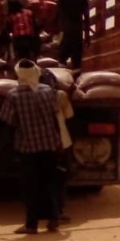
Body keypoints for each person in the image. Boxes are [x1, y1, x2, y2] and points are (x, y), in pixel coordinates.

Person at [0, 59, 62, 234]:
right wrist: (59, 141)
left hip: (28, 148)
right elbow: (56, 116)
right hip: (49, 144)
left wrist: (4, 148)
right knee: (49, 182)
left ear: (18, 74)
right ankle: (54, 218)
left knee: (30, 187)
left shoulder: (14, 95)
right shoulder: (48, 91)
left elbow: (9, 124)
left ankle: (31, 224)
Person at [39, 68, 75, 223]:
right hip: (62, 143)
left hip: (40, 144)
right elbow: (69, 116)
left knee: (42, 178)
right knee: (59, 179)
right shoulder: (60, 95)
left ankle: (43, 211)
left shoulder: (30, 95)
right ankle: (58, 211)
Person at [54, 0, 90, 76]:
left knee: (62, 59)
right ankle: (75, 83)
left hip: (65, 32)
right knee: (77, 62)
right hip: (78, 33)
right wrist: (87, 36)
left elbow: (58, 14)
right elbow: (86, 18)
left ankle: (63, 82)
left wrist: (52, 28)